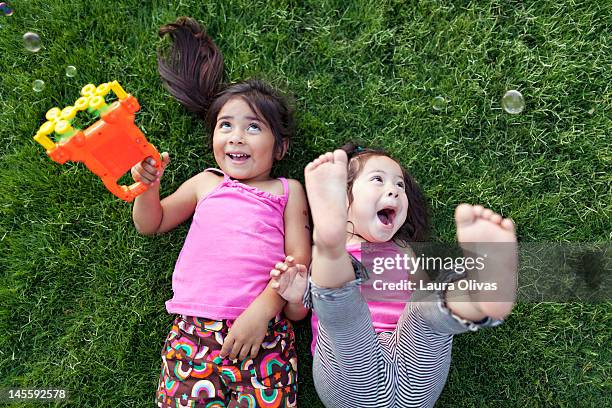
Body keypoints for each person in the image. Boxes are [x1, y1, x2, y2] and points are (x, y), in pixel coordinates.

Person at [131, 17, 310, 408]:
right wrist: (148, 187)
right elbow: (152, 223)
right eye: (225, 125)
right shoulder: (206, 182)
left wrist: (263, 311)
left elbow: (298, 261)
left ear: (280, 147)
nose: (236, 137)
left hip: (265, 331)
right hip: (195, 331)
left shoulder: (286, 190)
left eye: (253, 127)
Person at [270, 144, 518, 408]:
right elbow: (298, 313)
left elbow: (422, 299)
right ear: (344, 197)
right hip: (353, 372)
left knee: (426, 311)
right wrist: (297, 296)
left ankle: (477, 296)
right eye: (378, 179)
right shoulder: (320, 262)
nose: (394, 191)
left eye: (400, 185)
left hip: (412, 362)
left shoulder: (405, 250)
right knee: (344, 318)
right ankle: (331, 246)